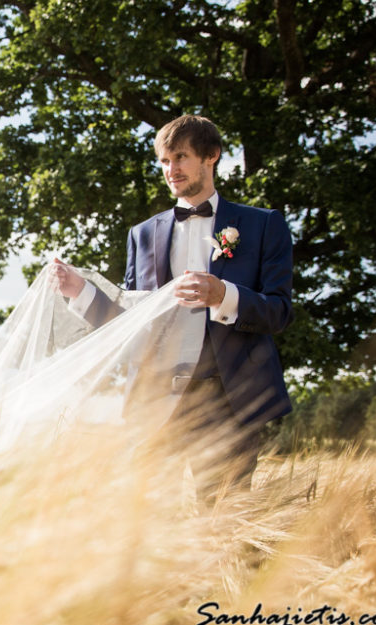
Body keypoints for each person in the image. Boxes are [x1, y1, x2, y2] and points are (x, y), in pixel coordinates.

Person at [53, 114, 294, 497]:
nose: (171, 170)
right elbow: (132, 321)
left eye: (180, 157)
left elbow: (279, 311)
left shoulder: (263, 225)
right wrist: (81, 291)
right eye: (164, 161)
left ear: (211, 156)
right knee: (149, 524)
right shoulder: (142, 234)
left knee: (224, 520)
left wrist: (224, 295)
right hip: (154, 400)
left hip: (227, 400)